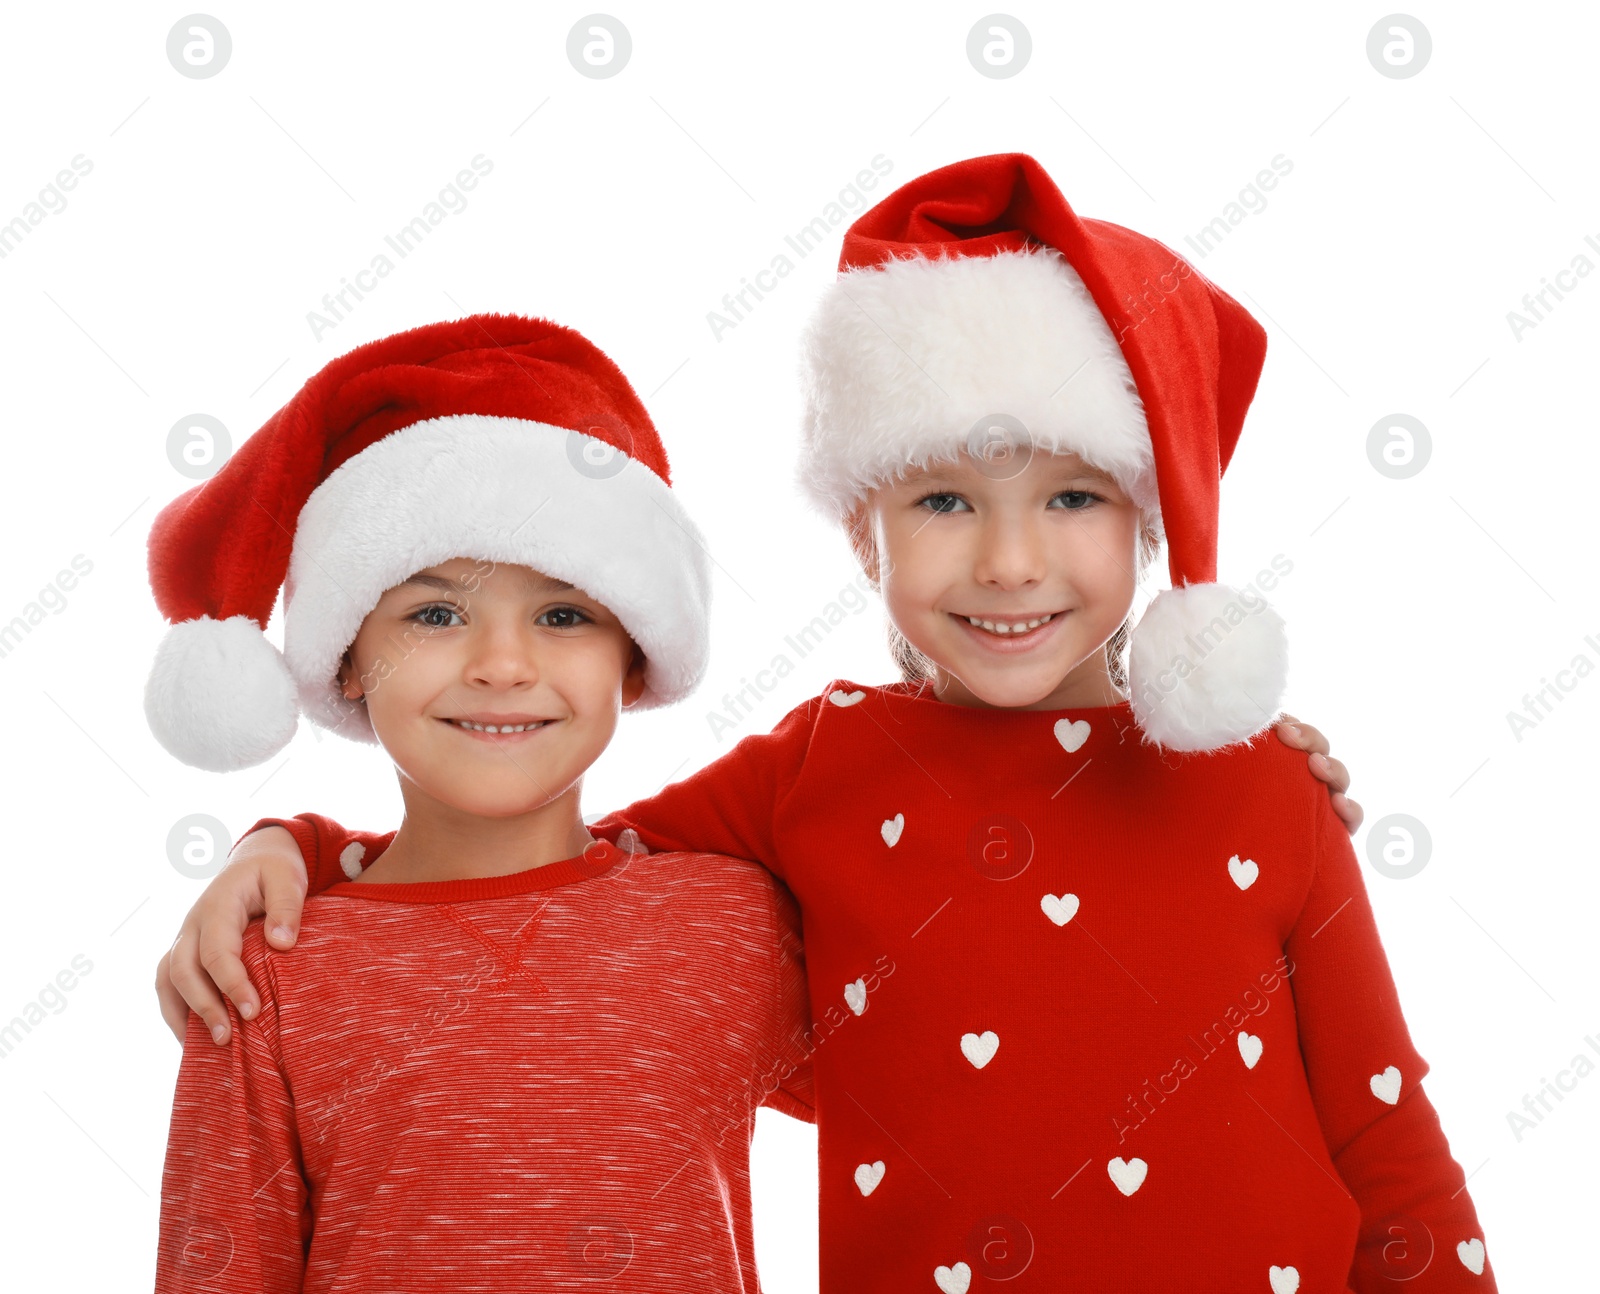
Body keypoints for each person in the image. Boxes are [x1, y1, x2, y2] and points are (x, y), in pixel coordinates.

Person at [158, 155, 1493, 1289]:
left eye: (1075, 498)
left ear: (1152, 515)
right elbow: (542, 864)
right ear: (864, 533)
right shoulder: (814, 774)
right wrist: (296, 846)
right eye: (944, 502)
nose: (1012, 564)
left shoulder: (1261, 785)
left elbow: (1390, 1134)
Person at [146, 315, 813, 1292]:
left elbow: (961, 1077)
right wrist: (288, 846)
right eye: (435, 613)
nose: (502, 665)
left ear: (633, 655)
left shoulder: (733, 921)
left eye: (561, 613)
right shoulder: (265, 970)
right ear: (348, 656)